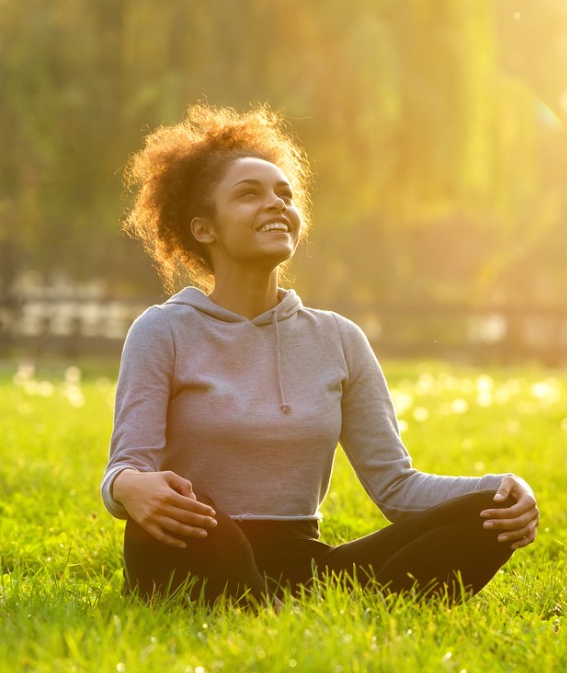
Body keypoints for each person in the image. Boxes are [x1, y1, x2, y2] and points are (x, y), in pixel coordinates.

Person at [101, 104, 539, 607]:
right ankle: (268, 605)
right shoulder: (162, 330)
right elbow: (126, 468)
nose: (275, 204)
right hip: (196, 542)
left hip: (302, 563)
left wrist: (506, 487)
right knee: (201, 521)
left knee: (489, 513)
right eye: (249, 194)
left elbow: (397, 486)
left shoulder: (339, 338)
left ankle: (270, 604)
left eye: (284, 194)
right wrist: (128, 489)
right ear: (205, 229)